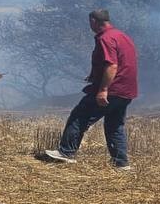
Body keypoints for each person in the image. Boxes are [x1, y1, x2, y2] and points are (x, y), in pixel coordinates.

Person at [43, 10, 139, 170]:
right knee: (115, 125)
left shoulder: (105, 38)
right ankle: (121, 163)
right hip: (126, 90)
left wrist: (103, 89)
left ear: (94, 21)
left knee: (79, 117)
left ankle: (66, 152)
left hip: (112, 89)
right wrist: (94, 74)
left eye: (90, 22)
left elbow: (112, 65)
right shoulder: (122, 36)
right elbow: (118, 62)